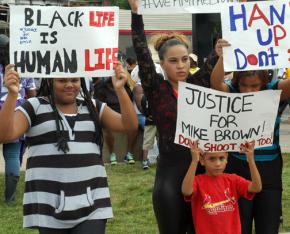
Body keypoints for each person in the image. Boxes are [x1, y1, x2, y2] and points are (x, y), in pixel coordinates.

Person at [0, 62, 137, 233]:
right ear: (50, 81)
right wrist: (12, 94)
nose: (70, 85)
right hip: (48, 203)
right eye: (62, 80)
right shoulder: (34, 106)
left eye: (74, 79)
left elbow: (129, 125)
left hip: (92, 202)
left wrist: (120, 89)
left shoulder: (92, 106)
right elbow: (5, 135)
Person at [128, 0, 210, 233]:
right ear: (162, 64)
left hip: (202, 175)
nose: (181, 66)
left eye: (185, 59)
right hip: (170, 176)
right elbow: (141, 51)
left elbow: (218, 58)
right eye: (173, 61)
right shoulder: (156, 88)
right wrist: (136, 14)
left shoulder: (197, 84)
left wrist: (237, 13)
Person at [211, 39, 290, 234]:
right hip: (237, 169)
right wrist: (222, 58)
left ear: (264, 83)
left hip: (269, 170)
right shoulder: (232, 91)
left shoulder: (274, 91)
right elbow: (215, 83)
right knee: (239, 227)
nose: (249, 91)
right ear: (238, 82)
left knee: (268, 227)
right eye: (244, 85)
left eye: (255, 86)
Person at [182, 141, 262, 234]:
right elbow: (186, 191)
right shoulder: (197, 181)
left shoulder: (233, 180)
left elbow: (256, 188)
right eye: (212, 159)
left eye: (221, 158)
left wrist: (251, 160)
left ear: (227, 158)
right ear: (202, 160)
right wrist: (194, 161)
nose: (217, 163)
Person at [0, 34, 37, 202]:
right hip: (14, 114)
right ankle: (10, 198)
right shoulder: (22, 69)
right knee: (13, 155)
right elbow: (32, 94)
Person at [94, 76, 139, 165]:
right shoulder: (102, 89)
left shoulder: (126, 89)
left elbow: (129, 104)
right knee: (108, 129)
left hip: (124, 115)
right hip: (109, 113)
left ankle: (129, 153)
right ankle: (112, 154)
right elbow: (100, 106)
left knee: (133, 129)